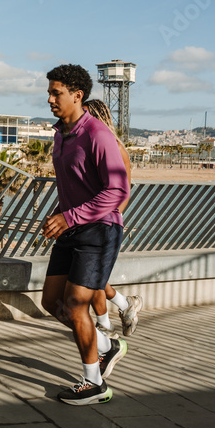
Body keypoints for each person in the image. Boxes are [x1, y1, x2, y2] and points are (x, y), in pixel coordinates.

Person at [40, 64, 129, 406]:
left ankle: (94, 384)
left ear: (77, 95)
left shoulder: (97, 134)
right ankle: (107, 346)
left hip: (100, 230)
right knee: (53, 302)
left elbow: (118, 191)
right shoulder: (60, 133)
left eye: (56, 93)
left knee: (77, 306)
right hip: (71, 227)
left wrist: (70, 216)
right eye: (49, 92)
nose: (50, 99)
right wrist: (62, 217)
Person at [83, 99, 143, 337]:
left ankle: (106, 324)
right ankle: (122, 307)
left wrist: (111, 216)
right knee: (91, 276)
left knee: (92, 278)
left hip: (104, 223)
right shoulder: (94, 146)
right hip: (88, 221)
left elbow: (124, 192)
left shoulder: (116, 148)